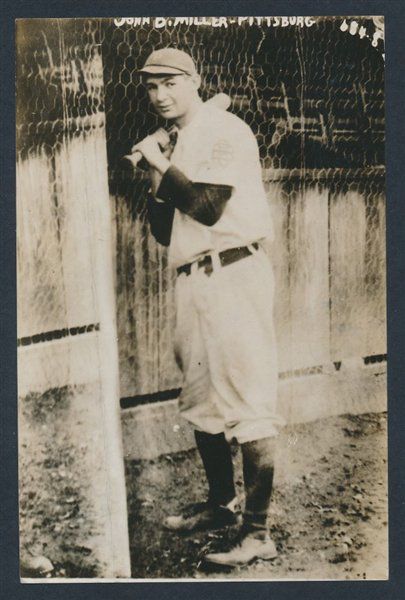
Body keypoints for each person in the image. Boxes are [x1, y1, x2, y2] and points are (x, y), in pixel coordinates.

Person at [133, 47, 284, 567]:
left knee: (247, 400)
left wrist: (161, 161)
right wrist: (157, 175)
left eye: (170, 83)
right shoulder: (177, 142)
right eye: (151, 87)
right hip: (191, 278)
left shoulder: (225, 130)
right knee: (200, 399)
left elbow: (208, 207)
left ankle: (258, 533)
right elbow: (163, 230)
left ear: (195, 81)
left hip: (234, 272)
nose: (160, 95)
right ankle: (222, 506)